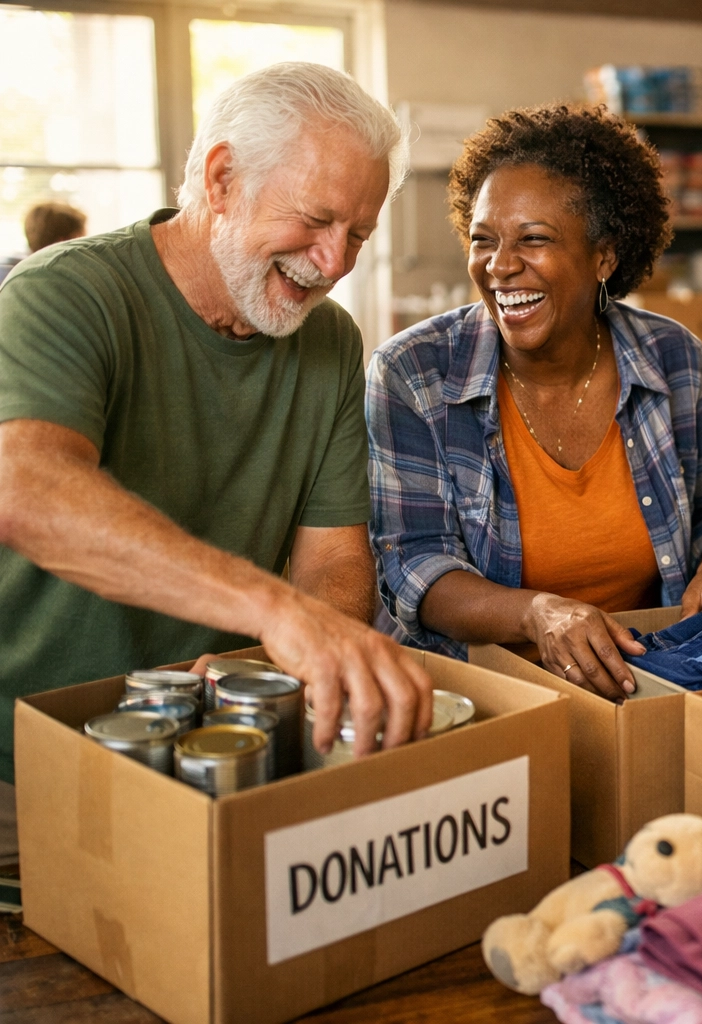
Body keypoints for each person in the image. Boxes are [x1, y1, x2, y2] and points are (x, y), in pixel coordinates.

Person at [0, 62, 436, 860]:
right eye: (316, 219)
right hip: (27, 765)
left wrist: (293, 645)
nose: (335, 263)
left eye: (360, 234)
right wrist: (274, 612)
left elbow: (335, 563)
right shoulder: (65, 294)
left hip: (227, 757)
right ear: (222, 178)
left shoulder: (330, 342)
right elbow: (30, 492)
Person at [368, 105, 702, 703]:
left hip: (649, 685)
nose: (500, 266)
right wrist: (538, 614)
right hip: (485, 697)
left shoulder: (672, 356)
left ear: (604, 257)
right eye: (483, 240)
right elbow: (414, 568)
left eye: (534, 239)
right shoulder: (413, 373)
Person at [0, 201, 87, 285]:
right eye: (81, 237)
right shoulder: (70, 283)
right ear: (65, 240)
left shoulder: (10, 274)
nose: (86, 246)